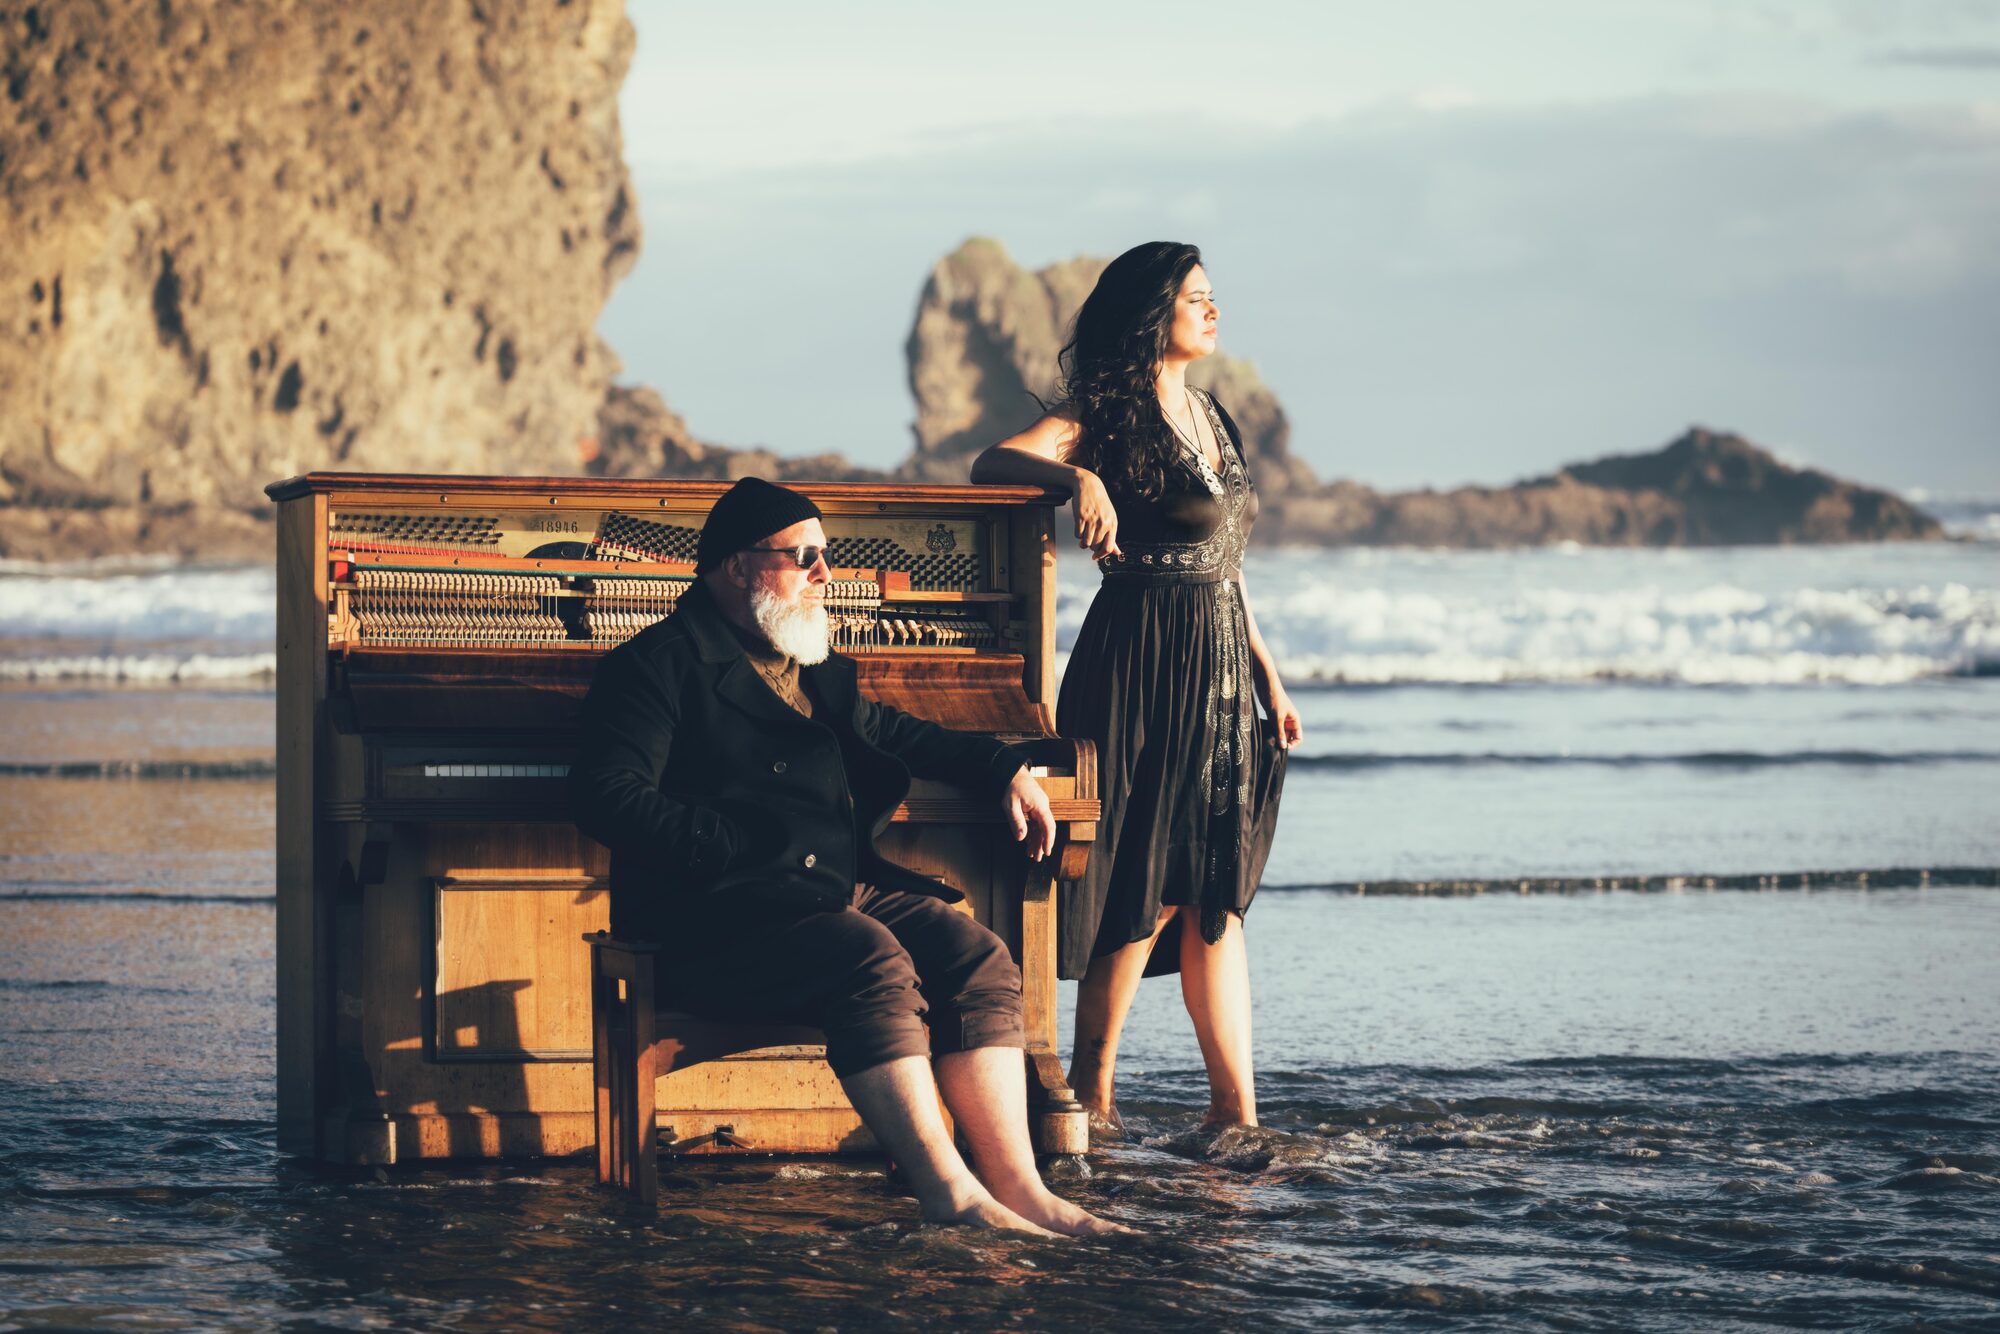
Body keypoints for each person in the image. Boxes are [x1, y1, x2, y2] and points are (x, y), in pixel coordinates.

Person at [570, 477, 1119, 1237]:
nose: (826, 574)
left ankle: (1023, 1192)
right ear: (736, 568)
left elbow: (894, 733)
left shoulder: (813, 662)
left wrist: (1004, 767)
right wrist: (732, 846)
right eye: (806, 557)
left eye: (827, 556)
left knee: (976, 953)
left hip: (821, 894)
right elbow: (605, 793)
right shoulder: (657, 665)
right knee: (871, 956)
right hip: (713, 914)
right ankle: (950, 1196)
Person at [970, 242, 1301, 1132]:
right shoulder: (1105, 419)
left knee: (1214, 893)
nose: (1213, 309)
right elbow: (991, 465)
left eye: (1213, 296)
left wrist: (1266, 670)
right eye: (1196, 297)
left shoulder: (1215, 416)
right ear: (1155, 313)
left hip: (1225, 666)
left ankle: (1236, 1118)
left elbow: (1227, 563)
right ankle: (1093, 1094)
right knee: (1142, 878)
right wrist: (1077, 476)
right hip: (1141, 661)